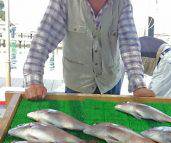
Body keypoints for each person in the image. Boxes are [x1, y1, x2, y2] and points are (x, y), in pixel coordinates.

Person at [23, 0, 155, 100]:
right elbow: (44, 39)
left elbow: (129, 44)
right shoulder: (63, 2)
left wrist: (138, 85)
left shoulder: (122, 3)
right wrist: (34, 80)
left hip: (110, 83)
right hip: (76, 85)